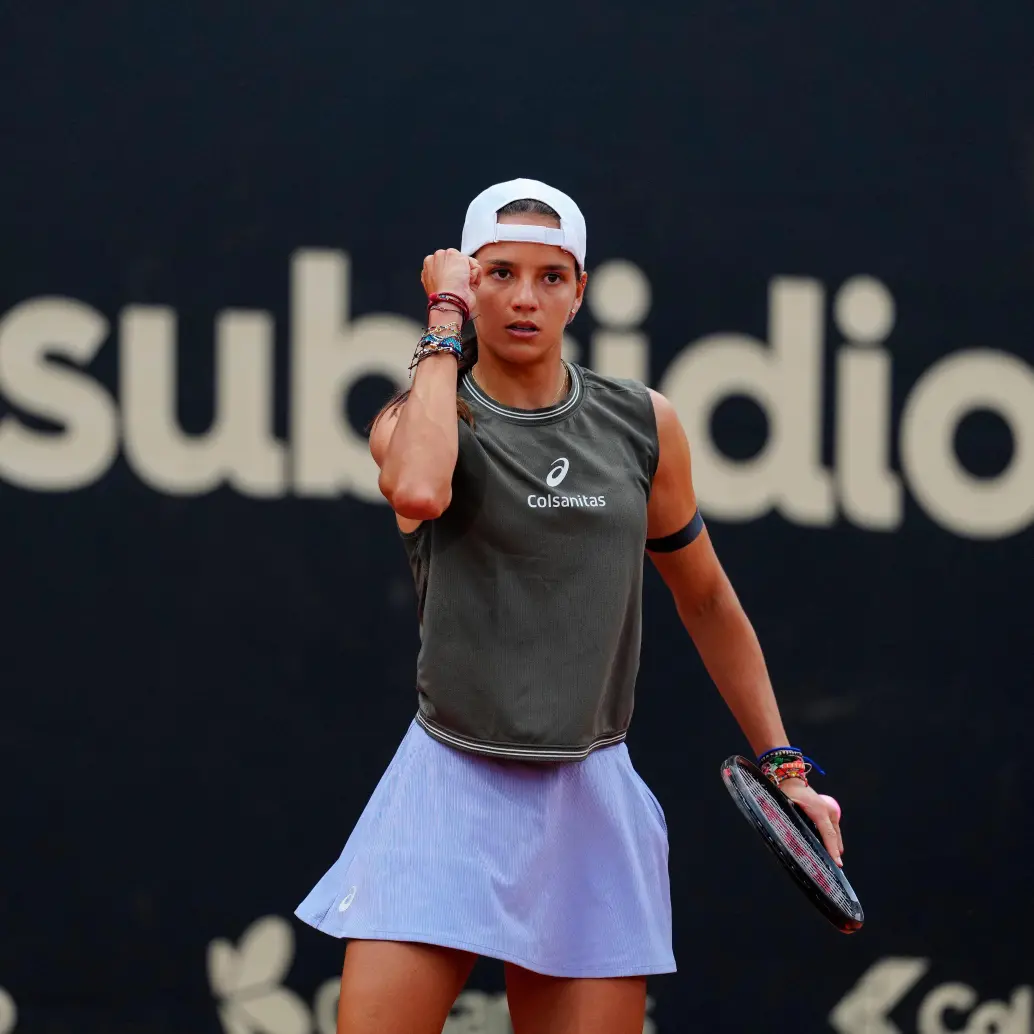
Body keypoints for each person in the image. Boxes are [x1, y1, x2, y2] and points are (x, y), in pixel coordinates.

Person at [295, 178, 844, 1034]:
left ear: (580, 289)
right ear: (466, 283)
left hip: (589, 802)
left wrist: (787, 769)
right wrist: (442, 326)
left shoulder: (641, 423)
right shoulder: (419, 419)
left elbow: (705, 597)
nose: (524, 298)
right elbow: (416, 484)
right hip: (446, 788)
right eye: (498, 273)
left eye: (551, 277)